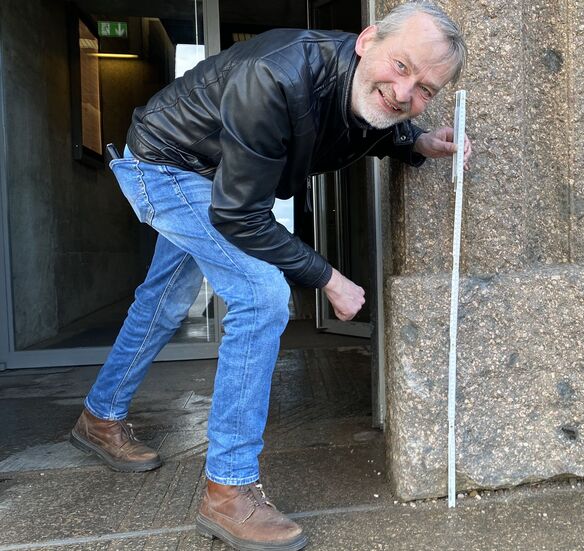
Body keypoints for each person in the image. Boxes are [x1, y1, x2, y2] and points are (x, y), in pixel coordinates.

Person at [67, 2, 469, 550]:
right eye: (402, 67)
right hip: (166, 165)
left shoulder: (360, 86)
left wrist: (417, 141)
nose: (405, 94)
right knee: (261, 294)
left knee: (163, 301)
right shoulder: (277, 75)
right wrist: (327, 277)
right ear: (366, 40)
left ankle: (98, 417)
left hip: (214, 176)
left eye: (425, 89)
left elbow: (369, 121)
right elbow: (238, 215)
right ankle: (227, 490)